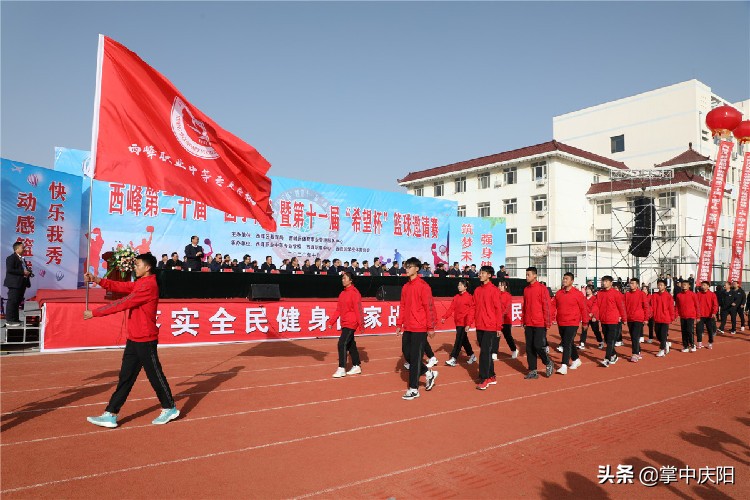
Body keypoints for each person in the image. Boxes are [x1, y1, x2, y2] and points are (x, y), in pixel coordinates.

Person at [83, 253, 179, 428]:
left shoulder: (148, 285)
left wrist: (95, 313)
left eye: (137, 264)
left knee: (155, 375)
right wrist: (97, 279)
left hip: (145, 339)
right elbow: (122, 286)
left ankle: (169, 407)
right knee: (125, 377)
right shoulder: (141, 283)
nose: (135, 267)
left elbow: (123, 303)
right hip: (134, 338)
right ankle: (111, 413)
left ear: (147, 267)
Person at [395, 256, 438, 400]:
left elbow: (429, 307)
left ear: (417, 269)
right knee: (407, 353)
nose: (407, 269)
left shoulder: (424, 286)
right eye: (406, 266)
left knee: (415, 358)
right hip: (408, 327)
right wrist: (399, 324)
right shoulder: (406, 287)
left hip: (419, 327)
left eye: (410, 266)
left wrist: (430, 327)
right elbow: (402, 306)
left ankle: (413, 389)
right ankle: (428, 373)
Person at [328, 271, 364, 378]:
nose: (343, 280)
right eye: (342, 278)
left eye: (345, 278)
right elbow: (338, 310)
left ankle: (341, 368)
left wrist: (361, 324)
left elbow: (358, 310)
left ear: (351, 280)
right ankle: (356, 365)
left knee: (342, 343)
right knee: (350, 344)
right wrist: (331, 321)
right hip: (344, 322)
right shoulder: (342, 293)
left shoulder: (355, 293)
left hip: (351, 322)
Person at [472, 266, 503, 390]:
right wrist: (470, 322)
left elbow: (498, 310)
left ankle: (484, 378)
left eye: (483, 273)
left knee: (484, 352)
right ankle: (491, 375)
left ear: (489, 275)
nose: (480, 274)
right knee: (486, 352)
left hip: (490, 326)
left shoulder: (494, 291)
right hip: (480, 325)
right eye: (480, 272)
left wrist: (498, 327)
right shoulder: (477, 290)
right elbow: (473, 306)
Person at [521, 266, 554, 379]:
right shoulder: (526, 289)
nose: (527, 277)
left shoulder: (542, 288)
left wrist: (548, 322)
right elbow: (524, 306)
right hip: (529, 323)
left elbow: (547, 306)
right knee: (529, 347)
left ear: (535, 275)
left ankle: (548, 362)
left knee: (538, 346)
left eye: (528, 275)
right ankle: (533, 370)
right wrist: (523, 320)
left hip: (539, 323)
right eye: (526, 275)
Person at [552, 272, 587, 374]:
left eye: (566, 279)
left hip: (572, 322)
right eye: (563, 278)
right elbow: (553, 305)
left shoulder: (578, 294)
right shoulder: (559, 293)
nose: (564, 280)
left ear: (572, 281)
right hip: (561, 322)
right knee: (569, 342)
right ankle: (576, 359)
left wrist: (585, 322)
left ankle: (564, 365)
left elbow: (583, 308)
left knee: (566, 343)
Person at [592, 275, 627, 367]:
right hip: (603, 320)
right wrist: (594, 315)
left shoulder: (616, 293)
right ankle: (614, 355)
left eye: (606, 281)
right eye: (603, 281)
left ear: (611, 283)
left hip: (613, 320)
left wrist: (624, 318)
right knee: (607, 340)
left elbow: (621, 306)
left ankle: (607, 359)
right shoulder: (600, 293)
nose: (604, 283)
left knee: (611, 340)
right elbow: (596, 305)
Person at [440, 279, 476, 367]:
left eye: (461, 285)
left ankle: (453, 358)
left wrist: (468, 324)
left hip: (464, 323)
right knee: (464, 340)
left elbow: (471, 312)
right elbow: (451, 308)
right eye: (458, 285)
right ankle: (472, 355)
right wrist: (445, 317)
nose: (459, 286)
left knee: (458, 340)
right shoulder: (456, 297)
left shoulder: (469, 297)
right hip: (458, 322)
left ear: (466, 287)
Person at [3, 242, 30, 327]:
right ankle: (9, 320)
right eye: (22, 248)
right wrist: (23, 272)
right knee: (12, 301)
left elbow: (22, 269)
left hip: (21, 283)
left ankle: (15, 319)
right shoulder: (11, 258)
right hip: (14, 283)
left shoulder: (22, 258)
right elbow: (10, 270)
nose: (24, 249)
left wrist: (28, 272)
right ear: (17, 249)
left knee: (17, 302)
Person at [624, 278, 650, 362]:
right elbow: (623, 306)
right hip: (629, 318)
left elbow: (646, 307)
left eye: (633, 283)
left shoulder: (641, 294)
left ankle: (635, 353)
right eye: (630, 283)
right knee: (633, 336)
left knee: (635, 336)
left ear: (637, 285)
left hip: (638, 318)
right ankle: (638, 351)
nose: (631, 285)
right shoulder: (627, 294)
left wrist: (646, 318)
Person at [495, 280, 519, 360]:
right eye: (499, 285)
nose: (499, 287)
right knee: (496, 336)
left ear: (505, 287)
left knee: (507, 336)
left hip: (506, 320)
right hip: (497, 320)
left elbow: (507, 307)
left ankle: (514, 350)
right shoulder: (496, 295)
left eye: (501, 285)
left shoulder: (508, 295)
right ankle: (494, 353)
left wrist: (501, 315)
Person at [650, 279, 675, 357]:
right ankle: (665, 343)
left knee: (663, 335)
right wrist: (650, 315)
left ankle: (662, 350)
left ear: (665, 286)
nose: (659, 286)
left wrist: (672, 317)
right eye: (658, 285)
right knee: (658, 335)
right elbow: (651, 307)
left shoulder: (668, 296)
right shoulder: (654, 295)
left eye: (661, 285)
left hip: (665, 318)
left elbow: (671, 307)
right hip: (657, 318)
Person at [675, 280, 700, 352]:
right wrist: (676, 315)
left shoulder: (693, 294)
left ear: (689, 286)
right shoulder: (679, 295)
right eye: (682, 284)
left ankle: (692, 345)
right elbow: (677, 306)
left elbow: (697, 306)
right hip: (682, 316)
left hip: (691, 315)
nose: (683, 286)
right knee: (684, 331)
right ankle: (685, 346)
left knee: (690, 331)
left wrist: (698, 316)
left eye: (685, 284)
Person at [696, 280, 718, 349]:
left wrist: (714, 312)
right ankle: (699, 343)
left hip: (709, 316)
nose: (703, 286)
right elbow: (695, 305)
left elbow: (715, 304)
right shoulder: (698, 294)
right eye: (702, 285)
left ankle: (710, 342)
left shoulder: (712, 294)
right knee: (699, 330)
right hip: (700, 316)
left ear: (708, 286)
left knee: (710, 330)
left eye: (704, 285)